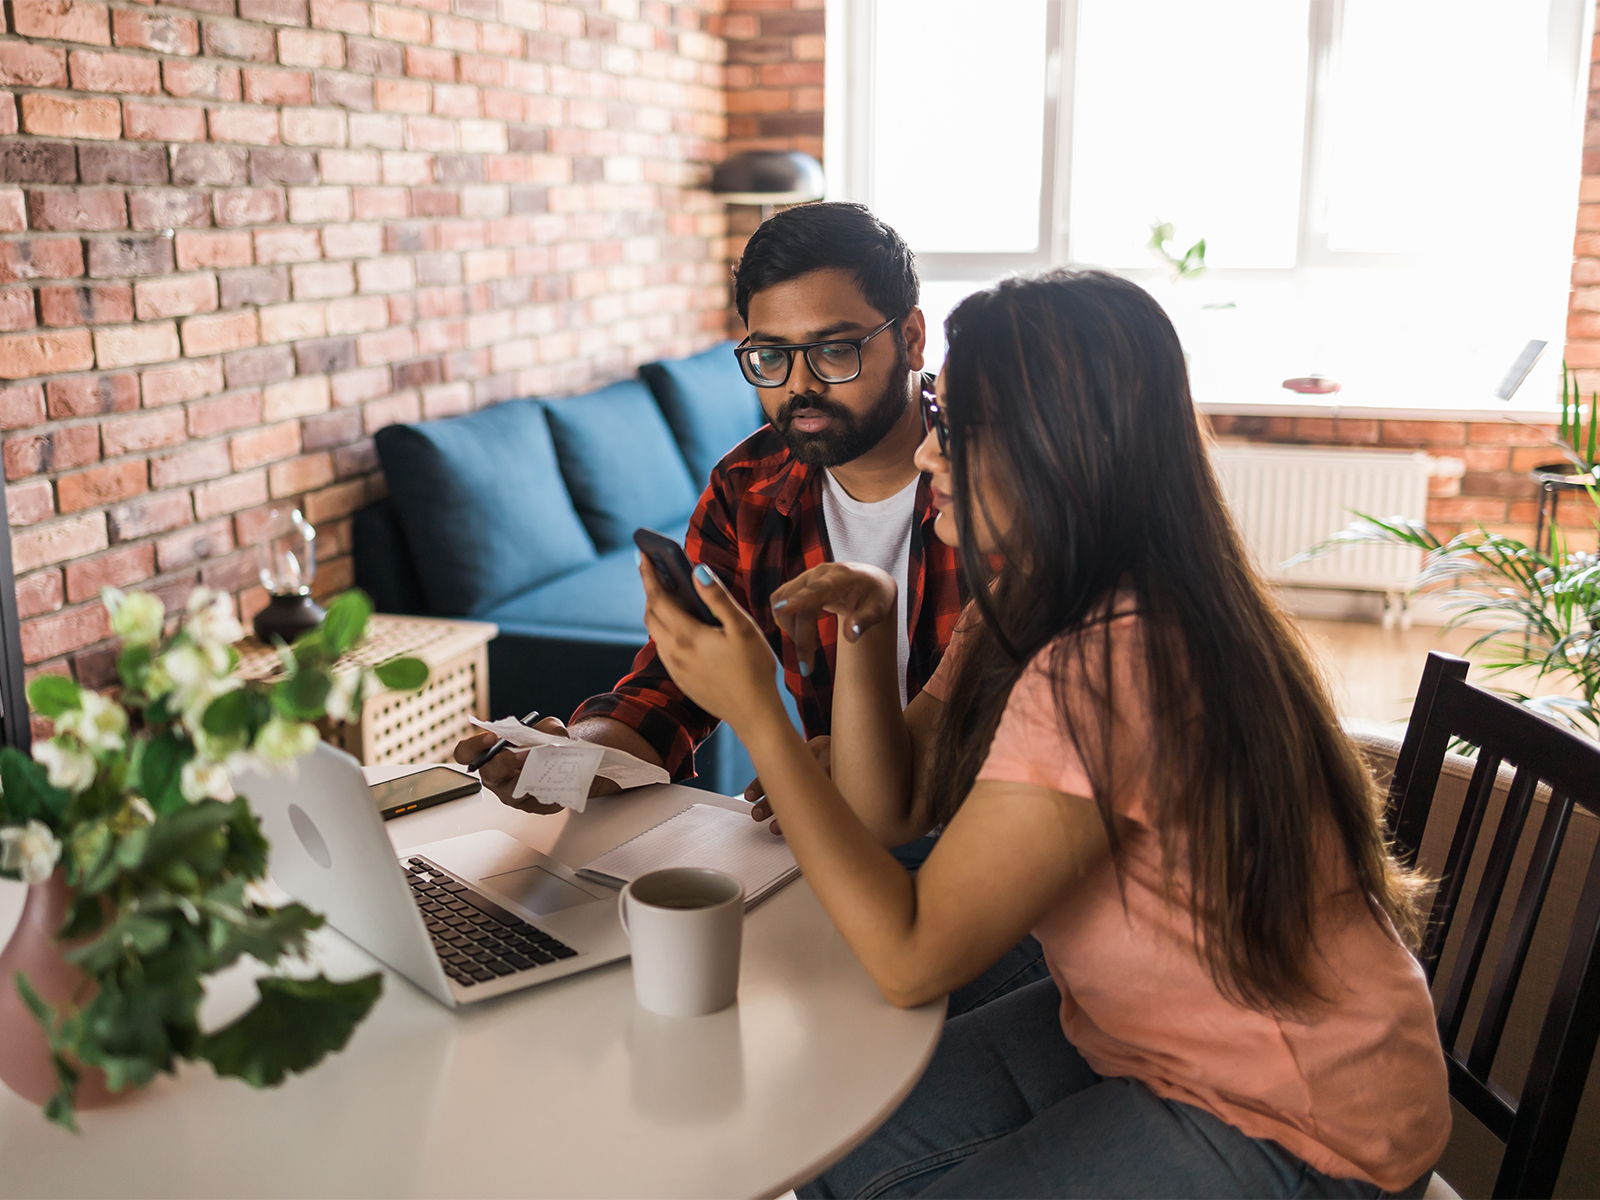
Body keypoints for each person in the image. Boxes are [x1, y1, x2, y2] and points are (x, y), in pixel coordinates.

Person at [635, 269, 1450, 1197]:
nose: (928, 457)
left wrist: (759, 718)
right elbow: (894, 809)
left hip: (1302, 1118)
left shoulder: (1113, 663)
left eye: (957, 431)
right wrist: (869, 624)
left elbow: (911, 959)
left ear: (1060, 451)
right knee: (822, 1146)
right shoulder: (1035, 600)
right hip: (1150, 1037)